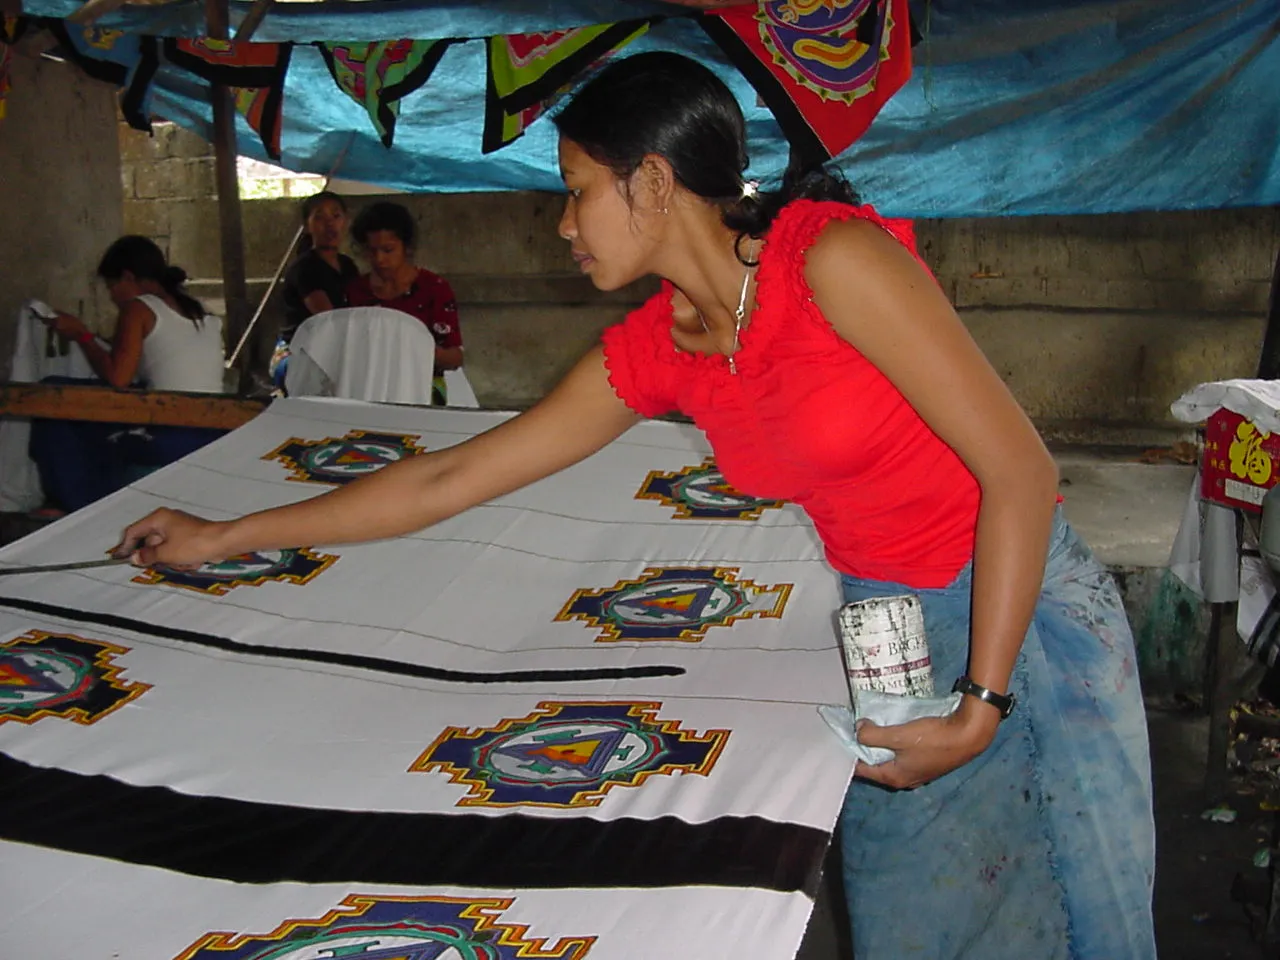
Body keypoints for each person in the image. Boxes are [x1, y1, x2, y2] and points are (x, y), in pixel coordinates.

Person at [117, 52, 1156, 958]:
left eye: (574, 191)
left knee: (1071, 907)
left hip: (1014, 619)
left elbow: (1016, 473)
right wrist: (228, 534)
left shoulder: (831, 264)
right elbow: (447, 478)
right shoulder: (659, 351)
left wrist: (983, 704)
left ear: (652, 183)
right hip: (891, 634)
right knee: (921, 920)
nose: (562, 225)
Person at [31, 236, 226, 512]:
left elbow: (118, 378)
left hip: (170, 434)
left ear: (127, 277)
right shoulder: (199, 313)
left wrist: (81, 334)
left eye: (112, 287)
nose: (112, 297)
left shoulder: (139, 308)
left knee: (52, 399)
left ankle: (71, 504)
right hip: (208, 430)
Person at [345, 200, 463, 405]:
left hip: (423, 390)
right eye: (372, 251)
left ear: (406, 247)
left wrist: (409, 348)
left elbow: (454, 358)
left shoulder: (434, 289)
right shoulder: (355, 292)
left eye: (388, 250)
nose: (380, 259)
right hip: (368, 391)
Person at [279, 191, 359, 346]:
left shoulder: (348, 265)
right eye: (319, 217)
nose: (330, 224)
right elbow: (327, 318)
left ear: (346, 221)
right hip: (301, 349)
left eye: (336, 216)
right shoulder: (305, 268)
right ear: (307, 226)